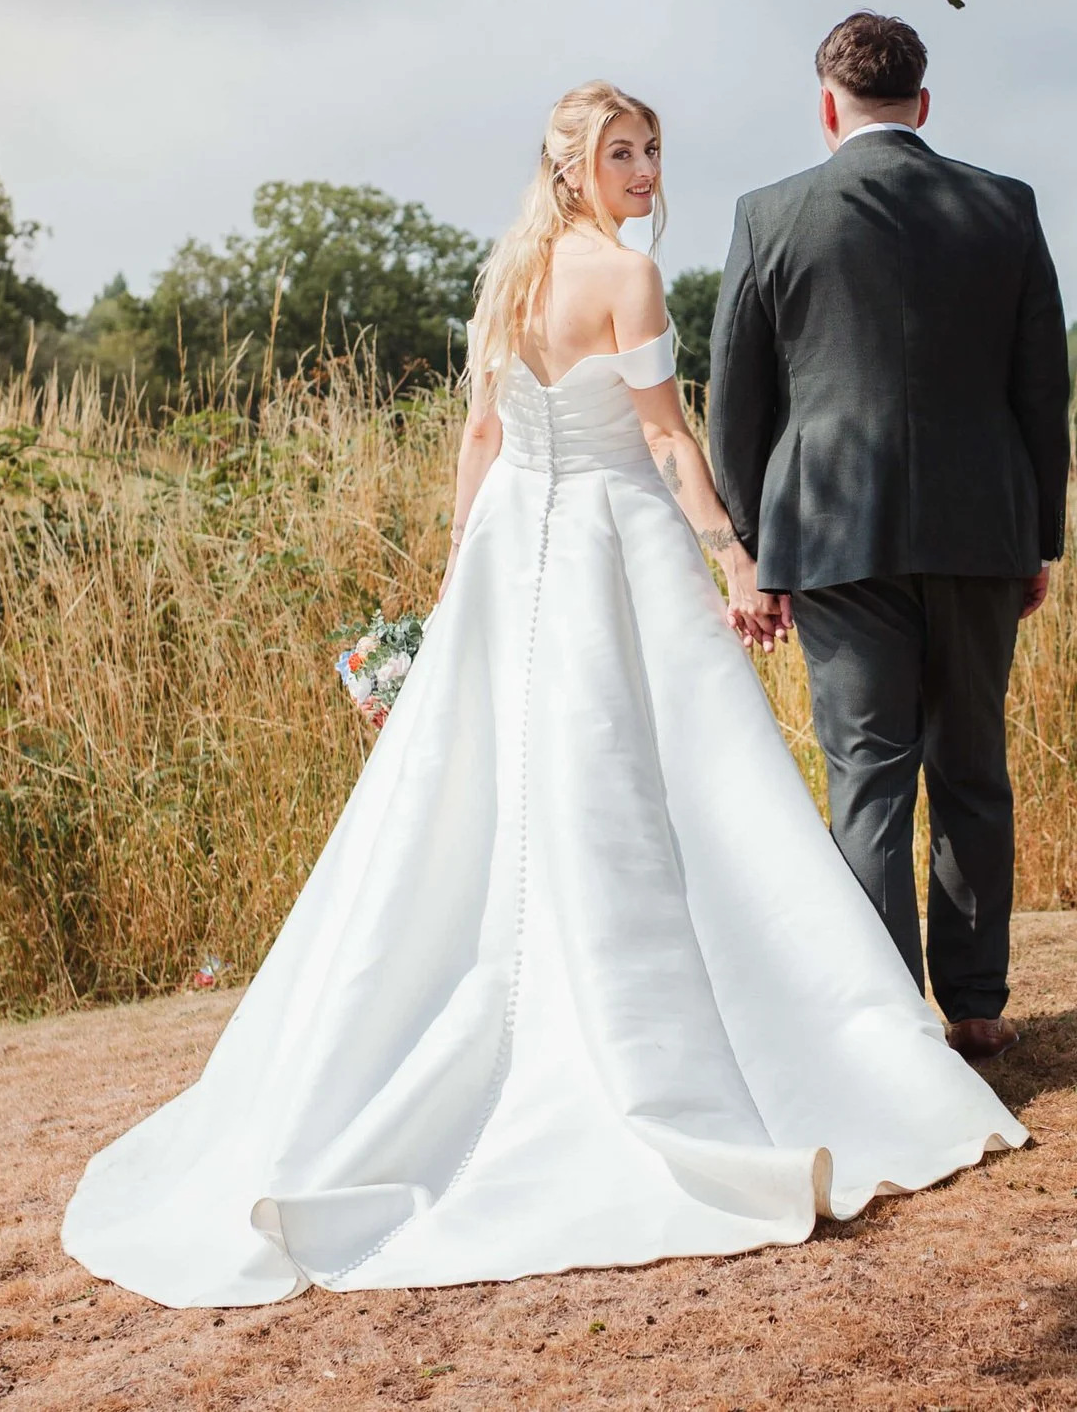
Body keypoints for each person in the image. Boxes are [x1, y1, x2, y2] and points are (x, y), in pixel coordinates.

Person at [61, 81, 1022, 1307]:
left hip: (519, 541)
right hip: (612, 537)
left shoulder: (506, 275)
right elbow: (668, 441)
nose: (643, 171)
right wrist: (733, 552)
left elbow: (482, 440)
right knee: (652, 781)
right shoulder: (624, 276)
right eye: (620, 153)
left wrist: (461, 572)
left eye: (652, 150)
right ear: (571, 166)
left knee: (532, 782)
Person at [710, 13, 1069, 1063]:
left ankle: (878, 1015)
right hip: (978, 527)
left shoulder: (771, 214)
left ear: (828, 105)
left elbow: (738, 397)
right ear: (923, 103)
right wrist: (1038, 533)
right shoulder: (1003, 207)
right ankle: (976, 1004)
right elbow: (1041, 387)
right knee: (972, 764)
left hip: (827, 533)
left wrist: (750, 540)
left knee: (867, 771)